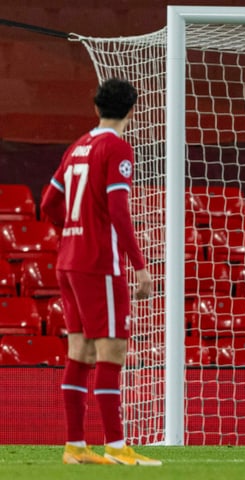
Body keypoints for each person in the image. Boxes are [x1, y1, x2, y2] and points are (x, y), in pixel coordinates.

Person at [41, 78, 161, 466]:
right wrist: (140, 266)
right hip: (97, 263)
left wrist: (73, 231)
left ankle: (75, 446)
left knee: (81, 352)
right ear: (132, 110)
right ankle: (116, 446)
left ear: (96, 108)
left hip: (68, 261)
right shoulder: (117, 147)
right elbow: (118, 210)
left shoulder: (77, 146)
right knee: (112, 352)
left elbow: (49, 203)